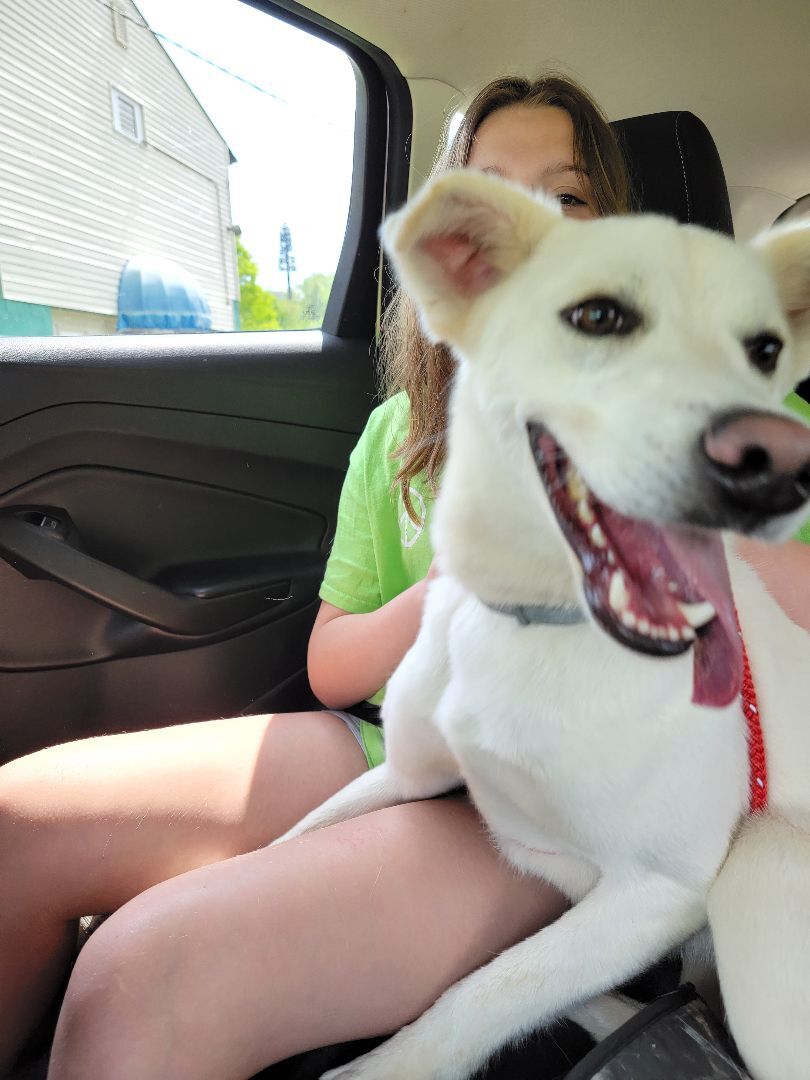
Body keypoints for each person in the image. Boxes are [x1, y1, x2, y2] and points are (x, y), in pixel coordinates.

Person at [0, 74, 806, 1080]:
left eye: (567, 200)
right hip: (396, 735)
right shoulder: (399, 436)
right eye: (492, 198)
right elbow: (334, 665)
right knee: (15, 820)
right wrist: (452, 595)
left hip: (564, 790)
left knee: (142, 976)